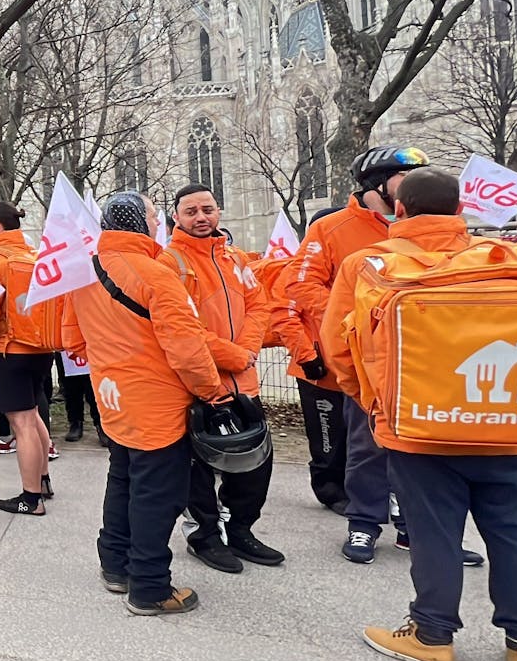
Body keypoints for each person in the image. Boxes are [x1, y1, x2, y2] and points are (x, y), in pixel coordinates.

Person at [320, 168, 517, 661]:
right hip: (511, 426)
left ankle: (433, 636)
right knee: (516, 535)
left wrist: (379, 405)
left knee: (434, 536)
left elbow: (339, 351)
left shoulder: (370, 264)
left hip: (420, 430)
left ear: (398, 211)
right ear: (460, 211)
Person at [289, 146, 480, 566]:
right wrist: (357, 328)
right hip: (370, 362)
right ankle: (364, 523)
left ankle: (424, 531)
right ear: (380, 184)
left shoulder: (457, 235)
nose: (412, 187)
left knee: (431, 455)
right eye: (404, 178)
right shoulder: (333, 228)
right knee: (366, 449)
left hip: (433, 367)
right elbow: (303, 286)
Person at [62, 191, 229, 616]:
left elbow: (71, 339)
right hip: (159, 406)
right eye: (154, 215)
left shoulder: (84, 271)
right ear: (139, 221)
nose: (158, 222)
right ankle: (150, 588)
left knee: (122, 482)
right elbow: (188, 350)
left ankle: (115, 566)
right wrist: (213, 392)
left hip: (113, 398)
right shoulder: (156, 275)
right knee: (158, 496)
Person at [161, 185, 282, 574]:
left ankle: (241, 529)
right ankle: (204, 536)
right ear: (176, 217)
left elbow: (259, 305)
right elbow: (183, 329)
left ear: (219, 212)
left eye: (208, 209)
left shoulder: (234, 257)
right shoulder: (170, 263)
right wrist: (233, 354)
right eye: (191, 211)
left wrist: (246, 348)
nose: (201, 217)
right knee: (199, 471)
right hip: (197, 385)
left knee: (255, 465)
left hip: (243, 383)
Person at [0, 201, 54, 515]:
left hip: (9, 352)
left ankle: (30, 498)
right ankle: (43, 480)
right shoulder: (34, 256)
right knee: (33, 417)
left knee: (21, 424)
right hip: (40, 350)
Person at [269, 206, 349, 511]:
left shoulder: (348, 270)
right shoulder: (297, 273)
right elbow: (285, 316)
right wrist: (307, 355)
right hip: (317, 369)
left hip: (350, 370)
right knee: (328, 437)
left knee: (353, 437)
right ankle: (330, 489)